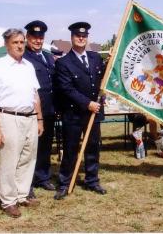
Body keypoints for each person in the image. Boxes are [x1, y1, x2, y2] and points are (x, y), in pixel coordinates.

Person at [0, 28, 43, 218]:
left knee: (28, 157)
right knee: (10, 161)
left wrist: (39, 119)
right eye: (15, 42)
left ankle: (22, 194)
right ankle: (8, 201)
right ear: (6, 45)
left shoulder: (28, 66)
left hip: (30, 117)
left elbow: (35, 95)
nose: (19, 45)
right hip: (8, 117)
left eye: (22, 42)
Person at [54, 22, 106, 200]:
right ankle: (65, 183)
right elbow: (66, 89)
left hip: (93, 114)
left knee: (93, 148)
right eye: (78, 35)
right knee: (70, 149)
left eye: (84, 36)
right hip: (73, 114)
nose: (81, 38)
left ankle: (92, 180)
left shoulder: (95, 57)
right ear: (72, 38)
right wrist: (87, 103)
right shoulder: (63, 63)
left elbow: (103, 79)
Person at [22, 20, 56, 196]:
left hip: (49, 110)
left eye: (41, 37)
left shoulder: (48, 56)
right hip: (32, 111)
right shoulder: (23, 58)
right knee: (29, 149)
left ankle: (42, 177)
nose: (38, 40)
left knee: (45, 146)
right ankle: (27, 184)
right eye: (34, 37)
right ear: (27, 37)